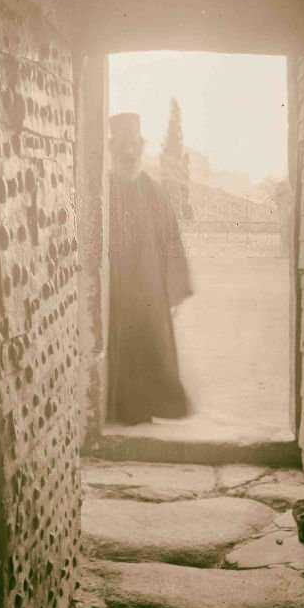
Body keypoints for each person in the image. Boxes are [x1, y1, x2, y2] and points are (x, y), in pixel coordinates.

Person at [107, 112, 193, 425]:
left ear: (141, 147)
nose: (129, 153)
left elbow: (172, 241)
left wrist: (174, 289)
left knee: (149, 346)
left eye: (134, 145)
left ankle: (148, 407)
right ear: (111, 147)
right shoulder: (102, 191)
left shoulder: (155, 192)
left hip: (149, 291)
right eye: (122, 146)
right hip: (113, 290)